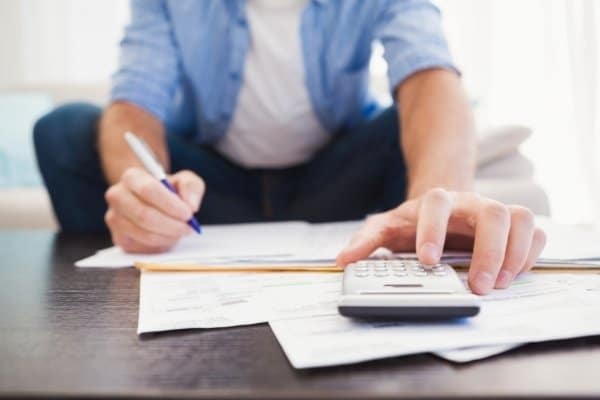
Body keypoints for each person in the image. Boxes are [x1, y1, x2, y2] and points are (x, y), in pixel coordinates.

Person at [34, 0, 545, 295]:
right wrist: (146, 191)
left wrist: (443, 197)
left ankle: (419, 232)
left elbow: (429, 73)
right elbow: (133, 103)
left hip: (336, 185)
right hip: (212, 196)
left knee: (404, 125)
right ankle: (125, 266)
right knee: (65, 130)